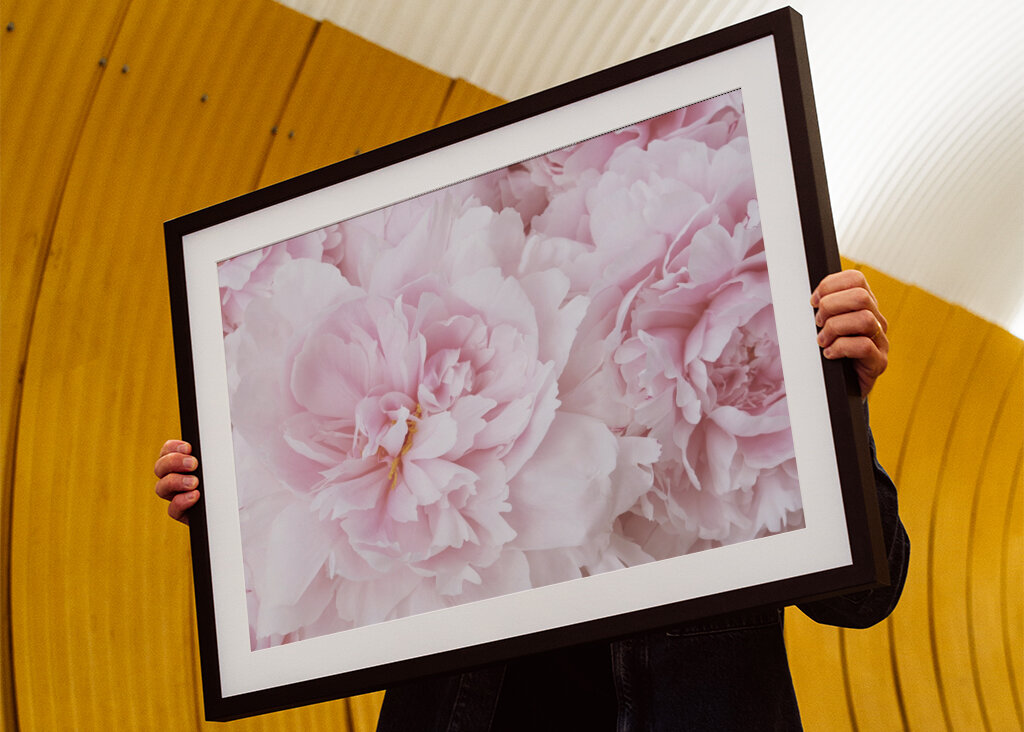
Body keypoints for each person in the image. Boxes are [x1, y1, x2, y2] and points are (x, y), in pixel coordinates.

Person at [154, 269, 909, 731]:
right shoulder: (476, 358)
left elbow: (866, 594)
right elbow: (335, 550)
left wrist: (834, 404)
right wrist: (232, 499)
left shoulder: (740, 390)